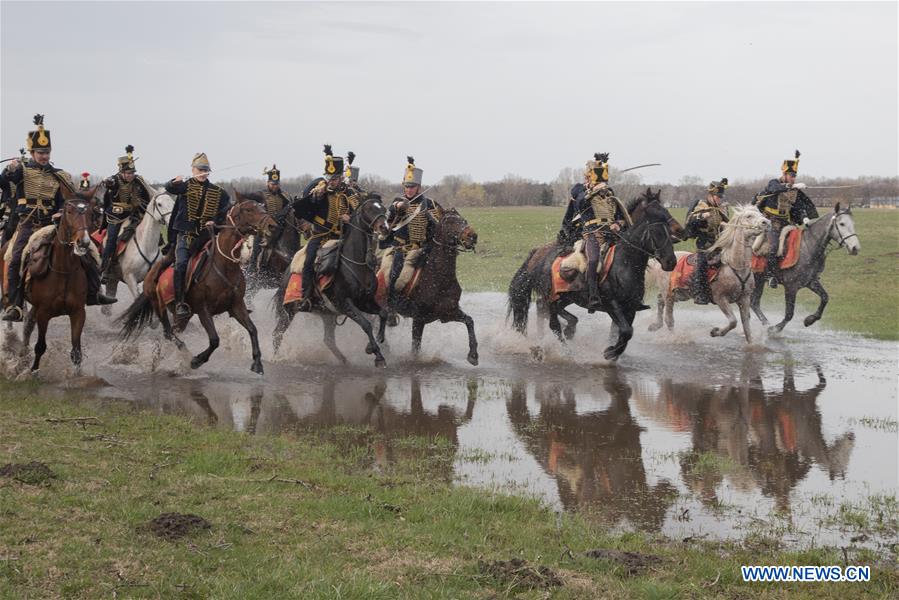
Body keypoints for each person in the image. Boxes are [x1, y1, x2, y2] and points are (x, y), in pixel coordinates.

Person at [0, 115, 115, 321]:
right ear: (32, 152)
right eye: (40, 152)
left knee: (89, 252)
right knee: (16, 257)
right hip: (27, 224)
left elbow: (68, 200)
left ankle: (94, 292)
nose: (44, 156)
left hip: (49, 224)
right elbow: (6, 180)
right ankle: (15, 305)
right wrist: (10, 169)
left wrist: (61, 212)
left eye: (47, 152)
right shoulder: (22, 171)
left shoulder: (59, 175)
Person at [289, 145, 360, 311]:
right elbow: (312, 198)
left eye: (334, 178)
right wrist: (317, 192)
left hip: (342, 237)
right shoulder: (320, 188)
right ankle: (305, 297)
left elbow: (358, 211)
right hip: (320, 236)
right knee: (308, 262)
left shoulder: (349, 193)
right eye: (328, 177)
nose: (331, 181)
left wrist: (350, 218)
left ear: (341, 178)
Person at [163, 153, 231, 318]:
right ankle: (180, 302)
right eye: (200, 170)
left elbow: (224, 209)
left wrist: (213, 221)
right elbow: (169, 188)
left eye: (206, 170)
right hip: (186, 235)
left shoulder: (218, 192)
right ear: (193, 170)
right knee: (181, 265)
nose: (203, 173)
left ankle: (232, 298)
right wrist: (174, 181)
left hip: (206, 236)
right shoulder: (184, 186)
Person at [381, 156, 441, 305]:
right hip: (401, 249)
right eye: (406, 186)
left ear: (418, 187)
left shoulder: (430, 203)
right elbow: (387, 221)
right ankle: (392, 303)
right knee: (395, 276)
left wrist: (430, 216)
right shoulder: (398, 201)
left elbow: (439, 223)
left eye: (412, 187)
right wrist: (398, 208)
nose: (409, 190)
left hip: (422, 248)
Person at [753, 150, 818, 288]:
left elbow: (798, 206)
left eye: (795, 176)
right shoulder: (774, 183)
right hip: (771, 222)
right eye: (791, 175)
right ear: (784, 174)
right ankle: (770, 275)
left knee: (802, 244)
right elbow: (774, 188)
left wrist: (805, 218)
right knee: (773, 247)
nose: (793, 178)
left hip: (786, 222)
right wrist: (791, 186)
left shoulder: (794, 191)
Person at [575, 153, 631, 310]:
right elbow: (579, 203)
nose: (601, 184)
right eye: (595, 179)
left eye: (602, 180)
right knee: (593, 261)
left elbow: (620, 215)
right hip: (593, 233)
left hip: (612, 234)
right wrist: (592, 191)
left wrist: (618, 224)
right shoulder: (580, 192)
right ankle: (593, 296)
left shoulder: (609, 194)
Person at [100, 145, 153, 282]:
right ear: (121, 172)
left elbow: (148, 193)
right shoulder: (114, 180)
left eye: (132, 173)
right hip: (116, 216)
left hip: (134, 214)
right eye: (128, 173)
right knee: (111, 239)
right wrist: (107, 183)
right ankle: (106, 268)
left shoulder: (138, 180)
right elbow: (109, 185)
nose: (130, 176)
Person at [685, 179, 730, 304]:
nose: (720, 199)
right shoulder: (701, 205)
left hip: (720, 243)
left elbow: (724, 222)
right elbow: (691, 221)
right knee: (702, 264)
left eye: (721, 197)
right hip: (705, 244)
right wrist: (701, 217)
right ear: (710, 195)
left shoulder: (722, 208)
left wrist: (725, 225)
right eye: (718, 196)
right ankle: (699, 293)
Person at [245, 164, 293, 272]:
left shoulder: (284, 195)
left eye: (277, 184)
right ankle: (252, 270)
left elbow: (289, 207)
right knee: (256, 248)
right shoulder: (261, 194)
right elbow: (249, 198)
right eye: (272, 184)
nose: (275, 186)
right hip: (264, 228)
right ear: (268, 183)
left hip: (280, 227)